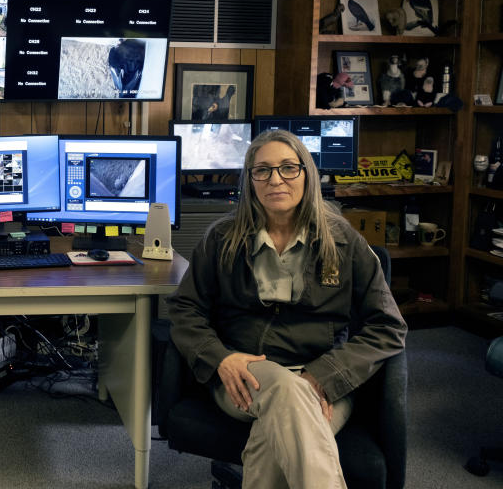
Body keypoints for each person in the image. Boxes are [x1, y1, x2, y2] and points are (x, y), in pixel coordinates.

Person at [165, 128, 407, 488]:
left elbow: (388, 326)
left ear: (306, 174)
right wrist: (221, 358)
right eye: (262, 170)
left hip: (321, 381)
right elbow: (185, 311)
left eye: (288, 168)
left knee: (279, 427)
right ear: (250, 180)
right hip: (244, 378)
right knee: (286, 393)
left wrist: (324, 376)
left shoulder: (344, 241)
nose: (275, 179)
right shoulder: (221, 239)